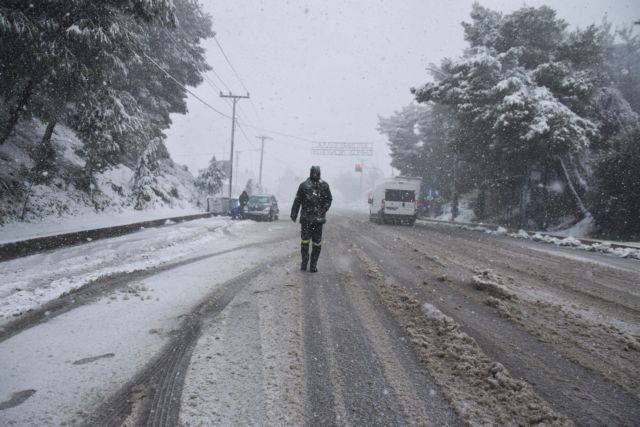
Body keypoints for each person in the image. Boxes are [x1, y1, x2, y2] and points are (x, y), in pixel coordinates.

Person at [291, 165, 332, 272]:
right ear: (310, 173)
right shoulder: (304, 186)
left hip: (318, 221)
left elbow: (329, 199)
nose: (315, 174)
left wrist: (325, 208)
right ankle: (304, 262)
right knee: (305, 242)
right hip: (306, 219)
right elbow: (297, 200)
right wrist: (294, 213)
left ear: (319, 173)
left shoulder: (324, 186)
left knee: (317, 243)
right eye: (313, 172)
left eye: (317, 173)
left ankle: (313, 265)